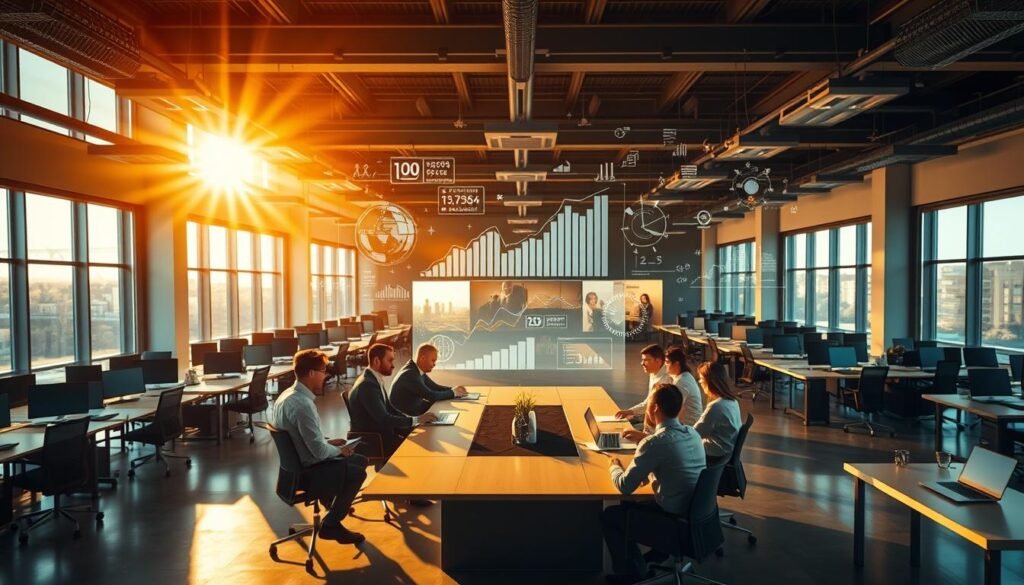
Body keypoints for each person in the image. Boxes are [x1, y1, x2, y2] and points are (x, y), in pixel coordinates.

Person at [601, 383, 707, 584]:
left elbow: (624, 486)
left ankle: (631, 574)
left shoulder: (654, 443)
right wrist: (648, 473)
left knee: (610, 517)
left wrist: (613, 465)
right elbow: (672, 464)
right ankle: (659, 551)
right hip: (695, 514)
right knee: (629, 505)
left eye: (648, 402)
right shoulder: (692, 434)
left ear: (655, 408)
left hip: (674, 519)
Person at [272, 349, 369, 544]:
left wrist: (328, 442)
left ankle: (333, 506)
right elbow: (318, 452)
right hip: (309, 470)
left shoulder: (286, 397)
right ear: (311, 374)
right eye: (323, 371)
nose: (326, 375)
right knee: (358, 472)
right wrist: (339, 450)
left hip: (293, 469)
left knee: (360, 459)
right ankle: (331, 524)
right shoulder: (302, 405)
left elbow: (302, 438)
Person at [347, 343, 438, 457]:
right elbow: (384, 419)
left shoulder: (372, 378)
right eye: (390, 361)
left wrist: (414, 421)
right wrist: (415, 420)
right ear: (376, 361)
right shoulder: (368, 386)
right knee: (423, 446)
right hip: (375, 440)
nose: (393, 365)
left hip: (382, 433)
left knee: (424, 436)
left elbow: (390, 408)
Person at [390, 343, 468, 416]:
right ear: (422, 358)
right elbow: (431, 396)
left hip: (417, 410)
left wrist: (454, 389)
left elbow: (435, 387)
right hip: (405, 420)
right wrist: (453, 393)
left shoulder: (415, 369)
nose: (434, 364)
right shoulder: (410, 374)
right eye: (433, 360)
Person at [693, 361, 743, 464]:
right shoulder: (733, 401)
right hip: (726, 452)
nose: (699, 382)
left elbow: (696, 434)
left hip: (714, 455)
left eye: (701, 379)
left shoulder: (716, 407)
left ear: (710, 382)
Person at [615, 344, 672, 428]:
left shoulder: (666, 381)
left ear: (658, 361)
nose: (642, 363)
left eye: (646, 360)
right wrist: (629, 412)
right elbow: (648, 402)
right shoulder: (653, 372)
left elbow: (653, 407)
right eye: (642, 360)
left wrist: (631, 413)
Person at [665, 346, 703, 426]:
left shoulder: (682, 381)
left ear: (676, 364)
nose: (665, 365)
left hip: (688, 427)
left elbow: (674, 410)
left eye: (667, 362)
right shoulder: (684, 376)